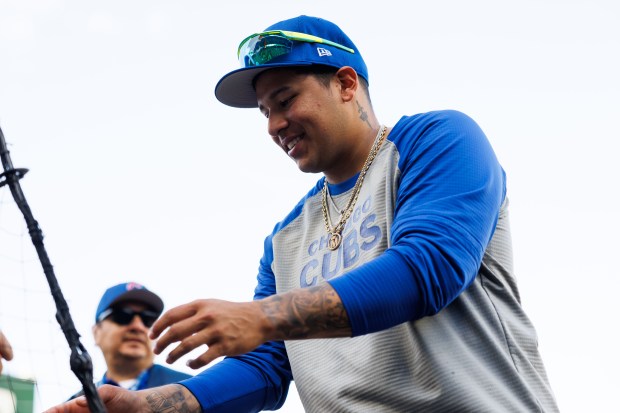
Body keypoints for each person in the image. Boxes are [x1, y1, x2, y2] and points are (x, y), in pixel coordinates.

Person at [45, 15, 559, 412]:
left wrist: (261, 317)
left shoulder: (436, 140)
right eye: (265, 111)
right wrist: (151, 403)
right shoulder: (285, 238)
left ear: (345, 83)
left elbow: (429, 268)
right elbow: (268, 366)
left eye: (285, 100)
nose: (273, 124)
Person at [68, 282, 191, 399]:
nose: (138, 327)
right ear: (96, 333)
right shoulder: (74, 406)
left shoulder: (192, 391)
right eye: (123, 316)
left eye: (148, 320)